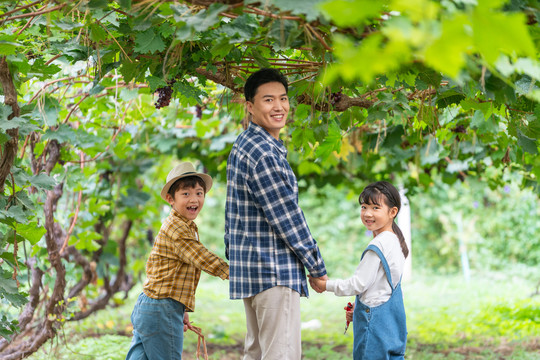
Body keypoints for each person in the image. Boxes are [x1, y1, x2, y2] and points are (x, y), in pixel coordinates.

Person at [225, 68, 328, 360]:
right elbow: (288, 219)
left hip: (252, 273)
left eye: (283, 98)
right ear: (250, 106)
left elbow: (231, 220)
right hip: (274, 272)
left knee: (257, 354)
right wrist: (317, 267)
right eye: (268, 99)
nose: (279, 106)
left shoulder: (244, 144)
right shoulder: (264, 153)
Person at [126, 161, 229, 360]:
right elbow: (201, 257)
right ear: (170, 199)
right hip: (160, 310)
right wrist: (234, 272)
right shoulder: (177, 228)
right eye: (186, 194)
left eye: (199, 193)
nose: (194, 199)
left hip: (150, 305)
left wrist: (179, 308)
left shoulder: (182, 225)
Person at [309, 181, 409, 360]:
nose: (367, 213)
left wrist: (325, 285)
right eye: (364, 207)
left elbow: (357, 284)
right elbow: (383, 286)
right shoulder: (395, 241)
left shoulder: (378, 245)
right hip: (391, 322)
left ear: (392, 212)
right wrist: (360, 307)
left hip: (375, 325)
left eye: (375, 207)